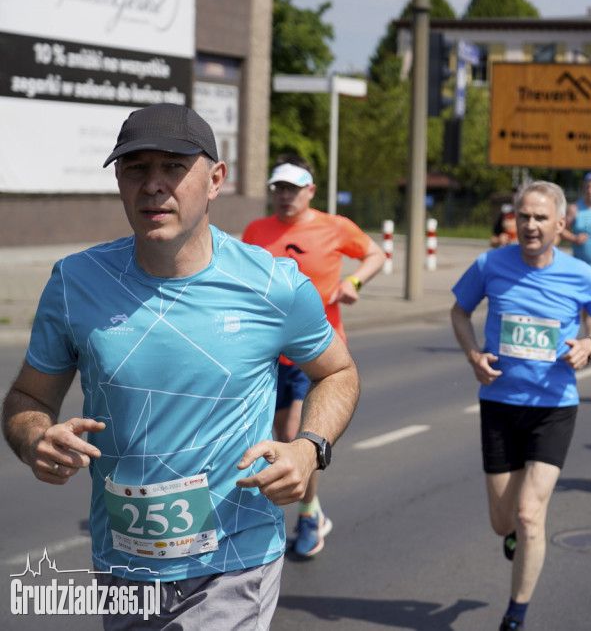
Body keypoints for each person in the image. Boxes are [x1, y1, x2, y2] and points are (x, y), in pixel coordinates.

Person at [1, 103, 359, 628]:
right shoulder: (75, 281)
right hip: (122, 565)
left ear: (215, 180)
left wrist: (310, 448)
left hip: (233, 563)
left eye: (173, 166)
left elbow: (338, 372)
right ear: (119, 182)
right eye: (136, 168)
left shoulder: (273, 285)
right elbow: (28, 399)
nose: (153, 185)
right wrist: (35, 438)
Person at [450, 181, 591, 631]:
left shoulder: (580, 273)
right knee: (502, 521)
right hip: (500, 404)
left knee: (530, 514)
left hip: (554, 405)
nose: (529, 225)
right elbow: (458, 311)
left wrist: (590, 345)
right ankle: (513, 537)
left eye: (540, 218)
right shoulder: (490, 264)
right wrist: (473, 355)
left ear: (561, 225)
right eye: (523, 216)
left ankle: (516, 614)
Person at [243, 156, 384, 557]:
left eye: (292, 188)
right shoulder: (256, 230)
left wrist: (354, 281)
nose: (284, 196)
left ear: (310, 191)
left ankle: (307, 514)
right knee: (267, 433)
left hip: (316, 350)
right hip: (268, 349)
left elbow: (375, 254)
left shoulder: (334, 226)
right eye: (278, 188)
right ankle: (309, 509)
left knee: (294, 435)